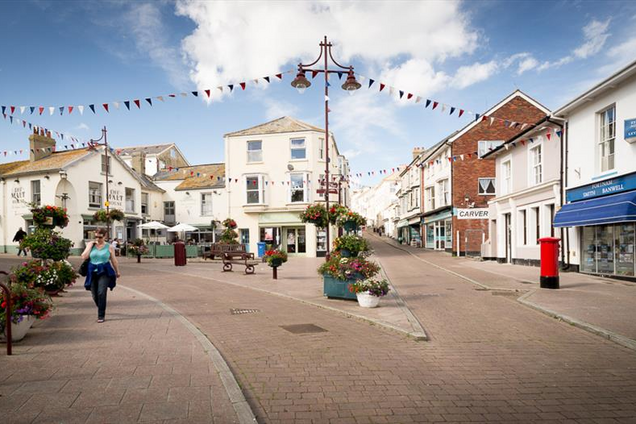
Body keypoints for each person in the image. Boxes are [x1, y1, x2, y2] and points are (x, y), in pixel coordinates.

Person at [81, 228, 120, 323]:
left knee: (101, 292)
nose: (98, 239)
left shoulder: (109, 247)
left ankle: (101, 315)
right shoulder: (91, 245)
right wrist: (90, 246)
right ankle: (101, 306)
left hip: (105, 271)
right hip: (92, 271)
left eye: (100, 237)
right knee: (94, 294)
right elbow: (84, 256)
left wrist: (117, 271)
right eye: (96, 237)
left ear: (105, 236)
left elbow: (114, 260)